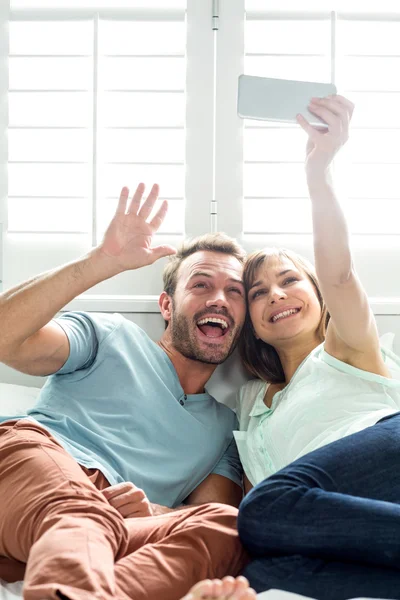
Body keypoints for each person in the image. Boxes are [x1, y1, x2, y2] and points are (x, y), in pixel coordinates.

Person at [0, 182, 249, 599]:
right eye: (201, 285)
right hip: (33, 466)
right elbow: (6, 337)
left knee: (232, 526)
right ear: (167, 306)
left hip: (103, 532)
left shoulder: (224, 429)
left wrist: (152, 511)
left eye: (234, 292)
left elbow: (200, 513)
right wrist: (101, 262)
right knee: (80, 513)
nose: (219, 299)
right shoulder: (110, 335)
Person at [233, 94, 400, 600]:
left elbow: (340, 271)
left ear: (320, 298)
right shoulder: (249, 406)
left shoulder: (345, 347)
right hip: (346, 515)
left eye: (288, 281)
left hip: (385, 453)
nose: (275, 295)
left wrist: (318, 173)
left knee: (263, 507)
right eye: (258, 292)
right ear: (253, 325)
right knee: (262, 578)